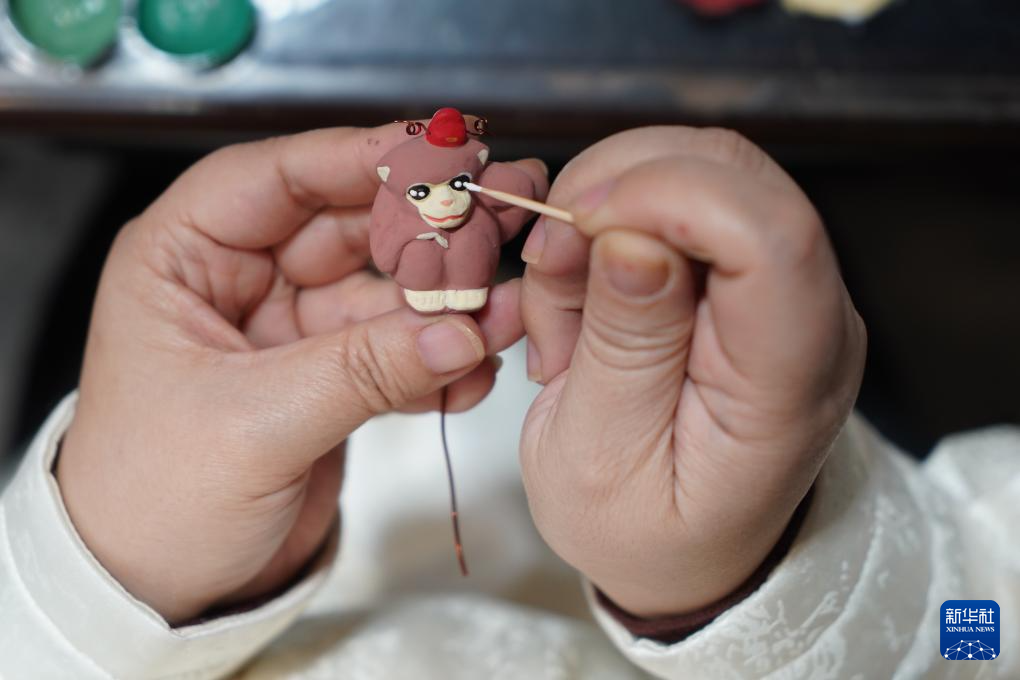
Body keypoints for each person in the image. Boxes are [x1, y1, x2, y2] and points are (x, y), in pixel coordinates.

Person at [0, 124, 1015, 679]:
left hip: (253, 490)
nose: (445, 200)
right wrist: (770, 580)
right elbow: (985, 628)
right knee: (769, 273)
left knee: (152, 178)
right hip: (692, 430)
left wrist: (102, 576)